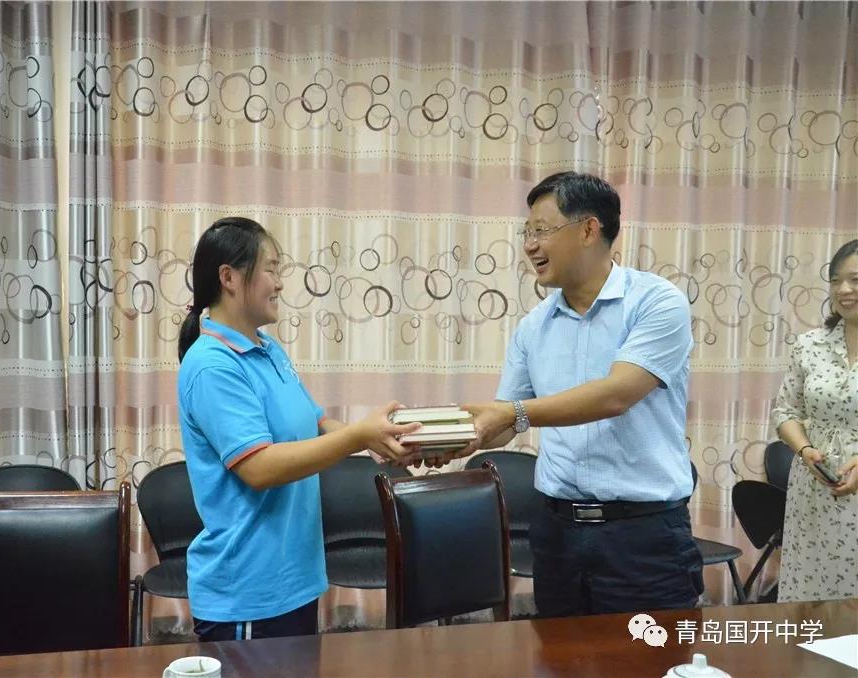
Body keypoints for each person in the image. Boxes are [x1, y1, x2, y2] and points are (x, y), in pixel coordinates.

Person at [457, 171, 703, 617]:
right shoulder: (533, 326)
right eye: (527, 232)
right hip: (557, 534)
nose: (530, 245)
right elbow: (505, 421)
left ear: (589, 229)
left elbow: (616, 395)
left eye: (541, 230)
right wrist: (455, 438)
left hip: (642, 536)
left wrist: (510, 414)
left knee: (652, 655)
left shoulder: (656, 302)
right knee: (558, 653)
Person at [177, 217, 420, 641]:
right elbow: (259, 468)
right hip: (247, 592)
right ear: (229, 278)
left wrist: (380, 439)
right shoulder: (212, 365)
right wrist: (359, 435)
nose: (280, 284)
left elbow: (317, 423)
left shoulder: (268, 348)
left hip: (293, 581)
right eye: (270, 269)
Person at [772, 239, 858, 603]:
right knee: (809, 591)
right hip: (813, 487)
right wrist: (805, 449)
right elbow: (785, 411)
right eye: (836, 280)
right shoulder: (810, 344)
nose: (844, 289)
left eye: (855, 279)